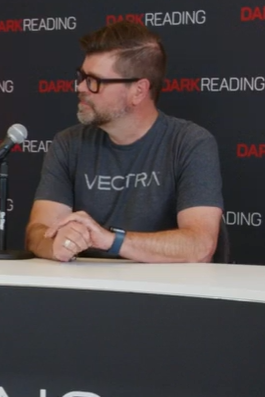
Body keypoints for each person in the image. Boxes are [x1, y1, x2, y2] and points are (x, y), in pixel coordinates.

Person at [27, 22, 223, 263]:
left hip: (165, 294)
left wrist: (111, 240)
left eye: (94, 80)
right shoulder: (68, 143)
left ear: (138, 91)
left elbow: (200, 246)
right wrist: (55, 243)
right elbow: (38, 231)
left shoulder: (190, 142)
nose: (80, 88)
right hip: (85, 291)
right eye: (81, 77)